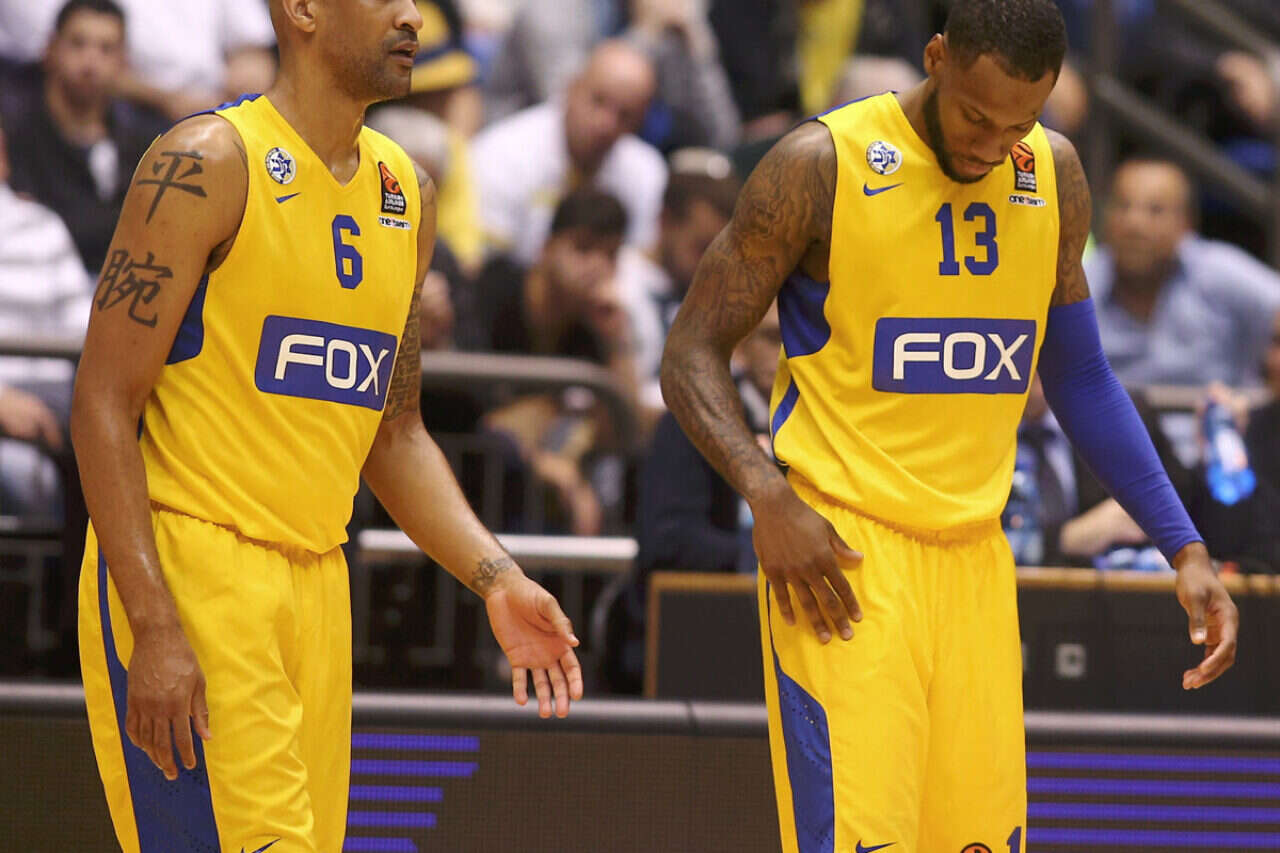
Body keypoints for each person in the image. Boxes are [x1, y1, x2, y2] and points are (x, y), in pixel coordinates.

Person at [659, 2, 1240, 851]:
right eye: (975, 117)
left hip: (976, 557)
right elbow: (689, 351)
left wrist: (1183, 546)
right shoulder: (820, 163)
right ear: (936, 57)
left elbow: (1080, 376)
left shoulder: (1052, 172)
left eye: (1019, 124)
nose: (991, 147)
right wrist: (766, 495)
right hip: (844, 556)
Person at [71, 2, 582, 852]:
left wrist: (495, 575)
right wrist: (154, 623)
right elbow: (100, 401)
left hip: (317, 579)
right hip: (192, 562)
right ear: (303, 9)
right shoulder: (206, 163)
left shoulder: (406, 192)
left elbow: (396, 432)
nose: (412, 16)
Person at [1085, 157, 1280, 387]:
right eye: (1122, 206)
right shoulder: (1079, 284)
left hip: (1217, 408)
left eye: (1155, 210)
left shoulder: (1219, 270)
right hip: (1107, 411)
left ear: (1185, 223)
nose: (1134, 224)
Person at [471, 38, 666, 266]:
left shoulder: (647, 171)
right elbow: (487, 266)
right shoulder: (501, 155)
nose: (606, 124)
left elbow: (642, 265)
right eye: (598, 101)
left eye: (625, 114)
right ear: (571, 88)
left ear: (641, 121)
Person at [3, 0, 163, 274]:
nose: (90, 62)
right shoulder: (15, 135)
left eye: (106, 49)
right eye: (78, 44)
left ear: (123, 60)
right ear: (50, 48)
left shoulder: (144, 141)